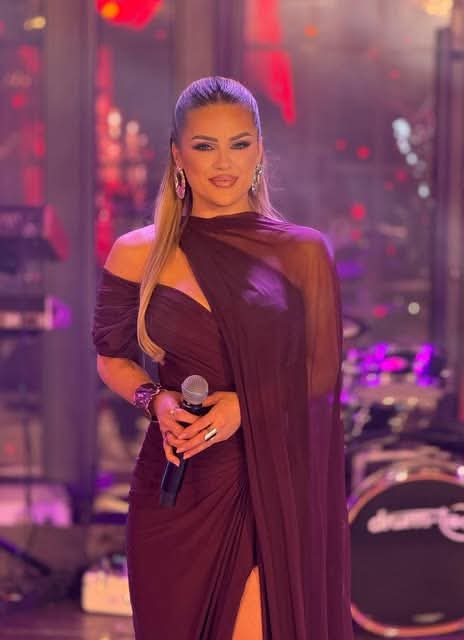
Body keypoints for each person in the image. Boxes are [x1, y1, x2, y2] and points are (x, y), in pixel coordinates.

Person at [92, 76, 353, 640]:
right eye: (205, 145)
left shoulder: (302, 252)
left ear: (259, 150)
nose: (223, 162)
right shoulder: (137, 252)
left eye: (238, 143)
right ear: (177, 155)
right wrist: (156, 400)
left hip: (266, 482)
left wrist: (244, 408)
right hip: (176, 484)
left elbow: (323, 372)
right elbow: (111, 358)